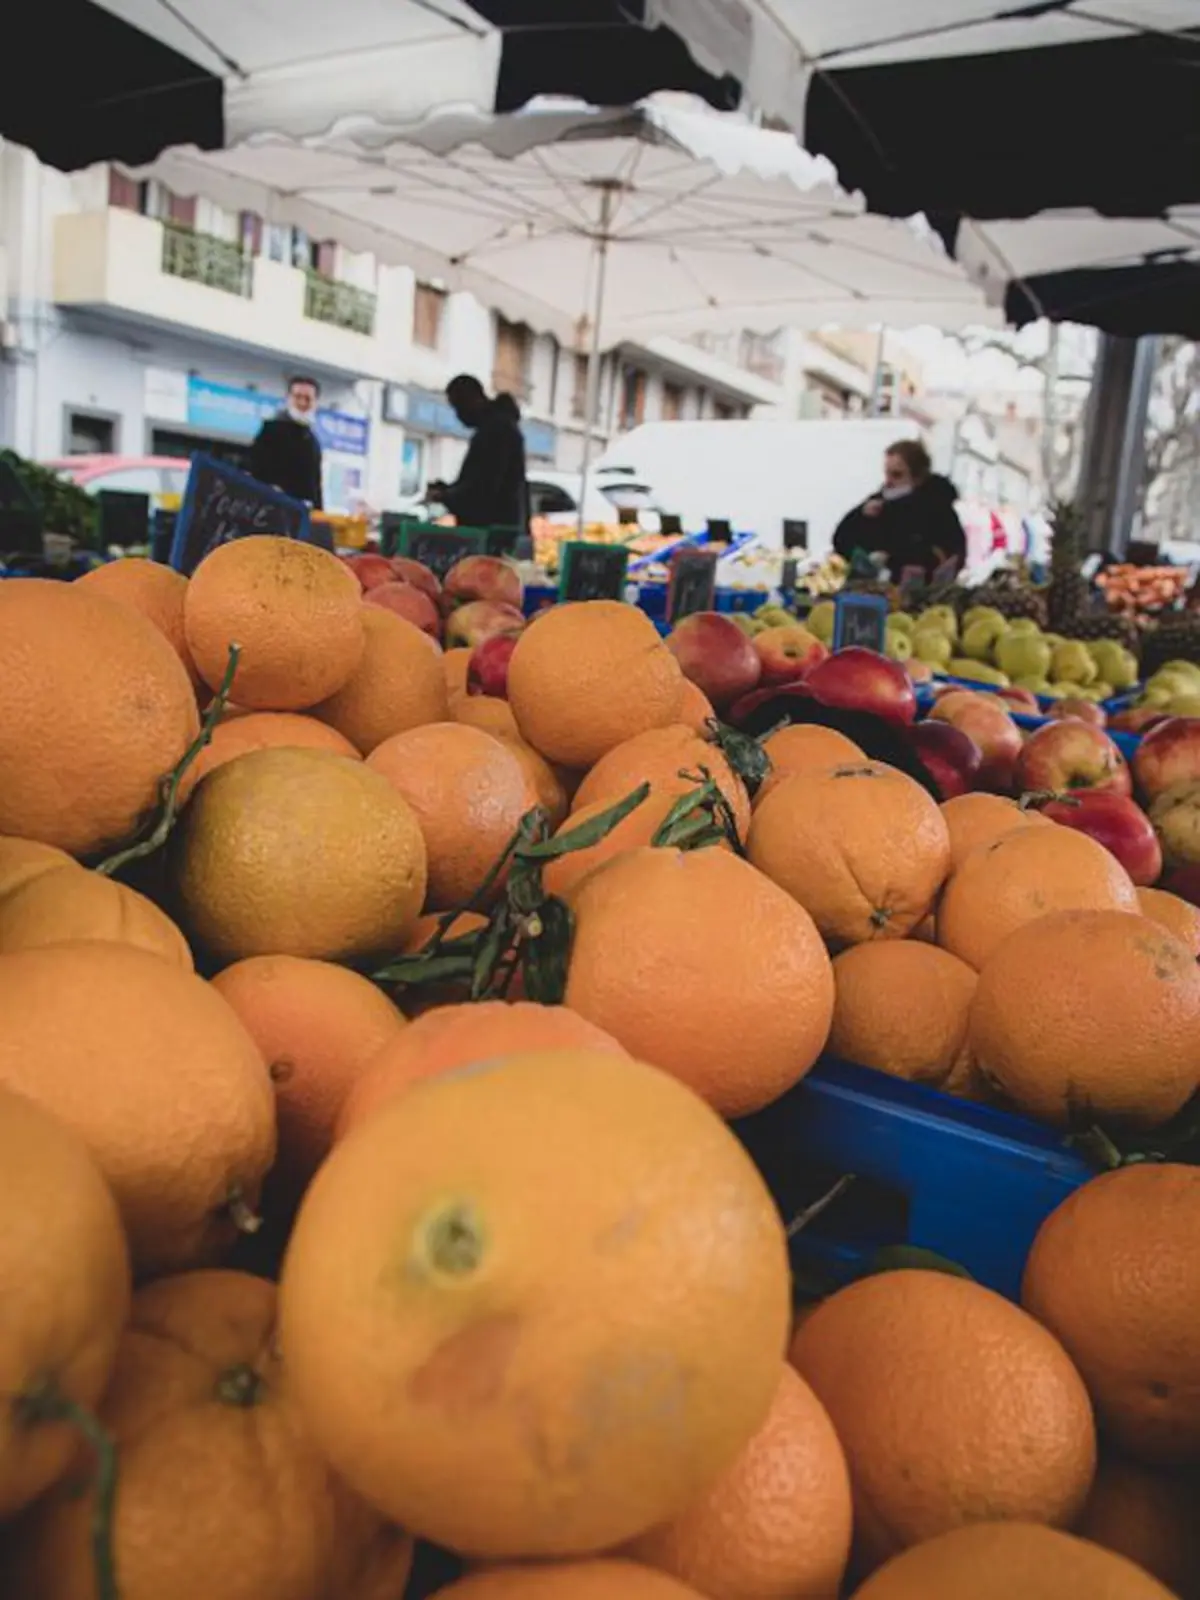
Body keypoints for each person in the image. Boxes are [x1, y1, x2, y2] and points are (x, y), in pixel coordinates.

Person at [832, 439, 966, 582]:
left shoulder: (938, 510)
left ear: (917, 478)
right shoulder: (877, 504)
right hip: (870, 588)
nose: (888, 481)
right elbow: (841, 540)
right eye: (887, 474)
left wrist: (892, 559)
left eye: (897, 475)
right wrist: (860, 516)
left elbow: (947, 556)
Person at [428, 375, 528, 531]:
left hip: (491, 530)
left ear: (473, 399)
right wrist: (450, 491)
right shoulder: (500, 426)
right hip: (501, 528)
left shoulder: (495, 431)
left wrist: (445, 495)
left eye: (458, 406)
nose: (458, 415)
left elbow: (482, 489)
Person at [248, 376, 324, 508]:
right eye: (297, 397)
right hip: (272, 506)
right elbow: (255, 470)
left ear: (315, 402)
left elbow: (315, 486)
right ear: (288, 398)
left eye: (308, 398)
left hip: (302, 511)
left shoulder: (313, 440)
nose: (302, 403)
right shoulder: (271, 430)